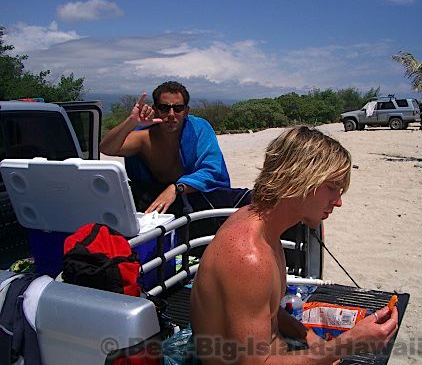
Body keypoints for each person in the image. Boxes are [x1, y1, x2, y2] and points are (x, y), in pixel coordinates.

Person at [190, 126, 399, 364]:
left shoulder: (263, 226)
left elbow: (264, 308)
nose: (338, 202)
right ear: (298, 179)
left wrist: (308, 336)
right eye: (332, 187)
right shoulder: (248, 257)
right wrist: (345, 345)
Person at [99, 81, 231, 214]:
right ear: (155, 110)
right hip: (152, 198)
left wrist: (175, 188)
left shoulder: (199, 130)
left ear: (186, 111)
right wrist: (130, 123)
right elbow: (107, 148)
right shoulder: (144, 137)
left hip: (193, 195)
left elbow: (213, 170)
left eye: (178, 108)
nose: (171, 114)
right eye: (164, 108)